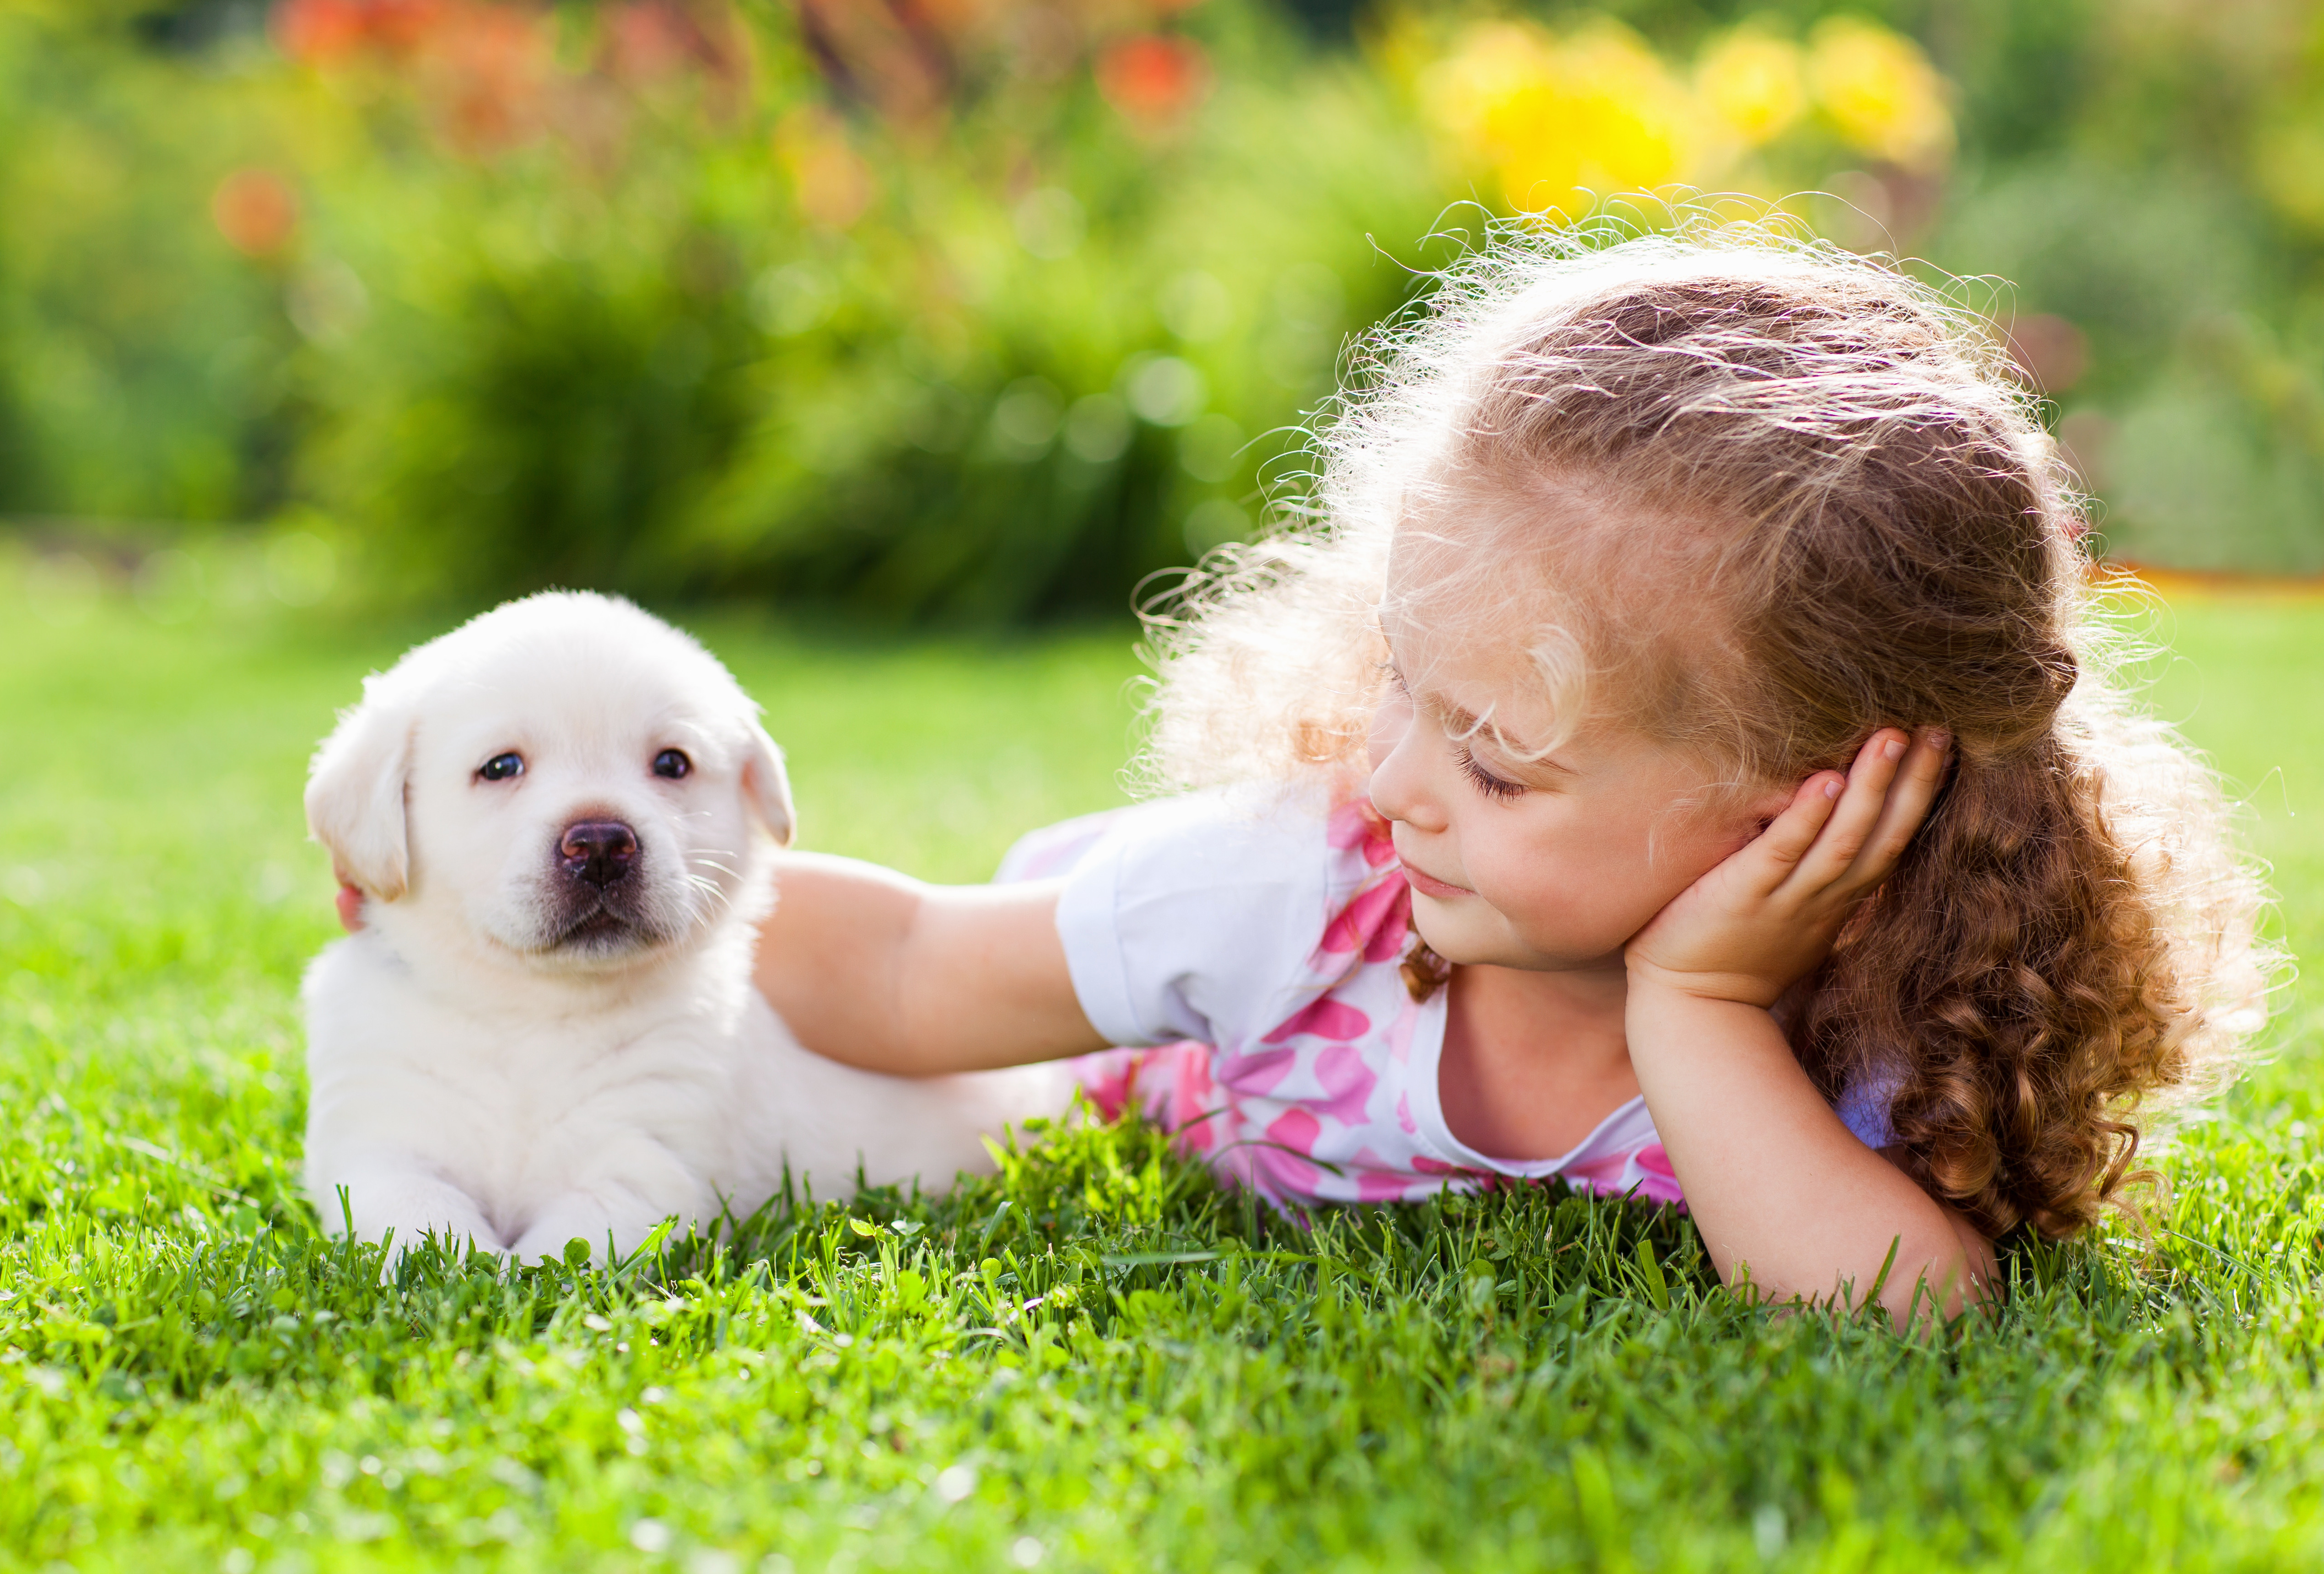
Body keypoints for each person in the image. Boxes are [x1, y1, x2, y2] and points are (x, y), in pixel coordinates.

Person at [752, 226, 2270, 1324]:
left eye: (1495, 764)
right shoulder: (1296, 887)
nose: (1394, 775)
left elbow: (1905, 1314)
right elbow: (901, 969)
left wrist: (1701, 1009)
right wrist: (619, 888)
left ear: (1808, 817)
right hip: (1082, 1011)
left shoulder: (1865, 1018)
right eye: (1401, 686)